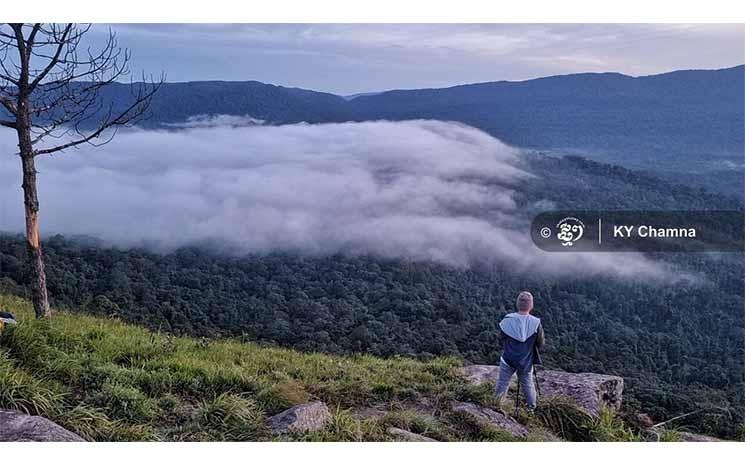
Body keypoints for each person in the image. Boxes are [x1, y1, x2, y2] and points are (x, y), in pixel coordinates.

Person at [494, 291, 545, 410]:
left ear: (518, 304)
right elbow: (540, 343)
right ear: (531, 305)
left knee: (502, 382)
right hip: (525, 361)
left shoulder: (507, 319)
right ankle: (531, 408)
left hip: (508, 358)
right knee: (527, 384)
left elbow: (501, 338)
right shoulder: (536, 323)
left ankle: (497, 405)